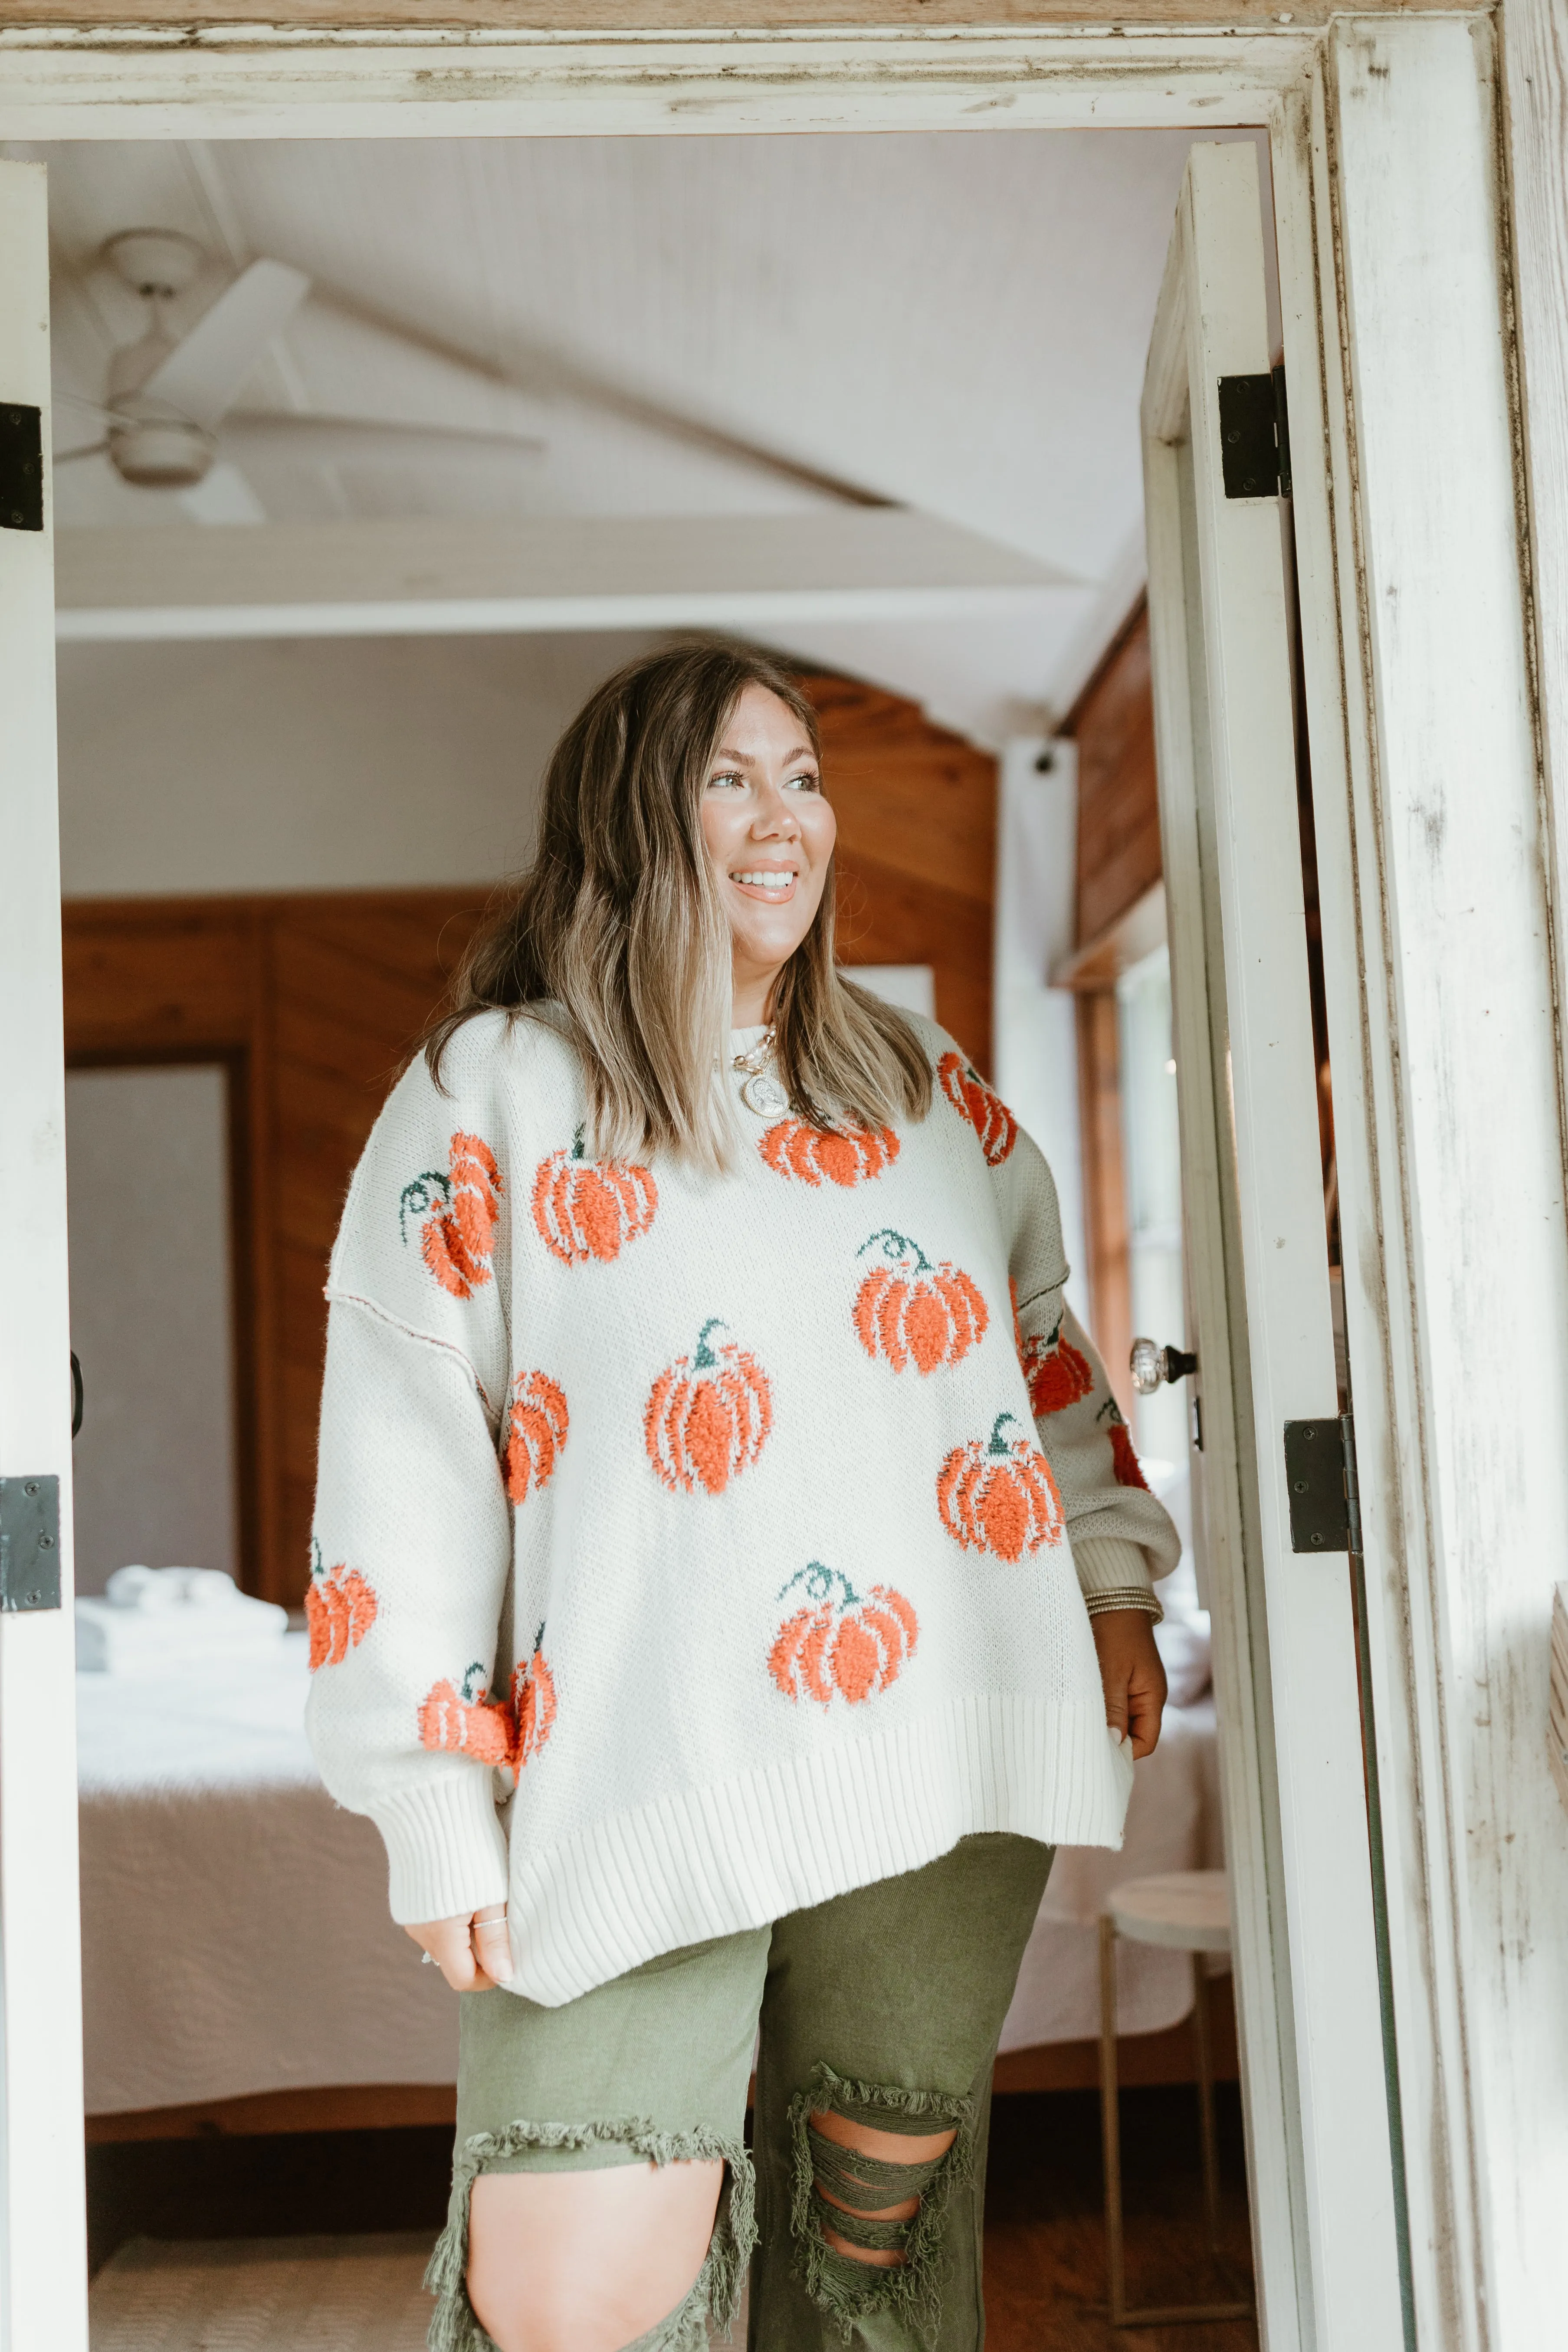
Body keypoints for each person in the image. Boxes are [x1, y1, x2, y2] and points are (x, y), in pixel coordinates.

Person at [306, 642, 1178, 2352]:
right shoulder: (496, 1088)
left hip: (941, 1721)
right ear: (627, 814)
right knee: (564, 2290)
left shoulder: (930, 1086)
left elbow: (1034, 1350)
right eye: (730, 776)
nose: (783, 816)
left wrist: (1116, 1578)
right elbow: (400, 1449)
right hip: (628, 1745)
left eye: (803, 774)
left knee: (880, 2249)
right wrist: (425, 1794)